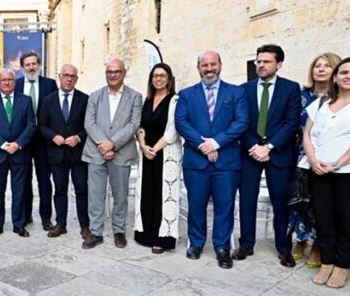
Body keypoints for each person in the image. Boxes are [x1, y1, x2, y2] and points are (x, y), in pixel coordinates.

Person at [301, 57, 350, 290]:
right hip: (318, 169)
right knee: (323, 219)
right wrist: (313, 159)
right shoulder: (322, 103)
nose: (349, 76)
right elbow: (307, 134)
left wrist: (337, 163)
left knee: (348, 220)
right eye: (344, 72)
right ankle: (327, 262)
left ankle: (342, 266)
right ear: (335, 77)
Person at [175, 50, 249, 269]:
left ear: (220, 65)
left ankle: (222, 247)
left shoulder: (236, 92)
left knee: (225, 206)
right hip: (196, 162)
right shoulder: (186, 94)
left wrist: (216, 143)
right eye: (204, 65)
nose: (209, 69)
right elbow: (181, 122)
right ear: (198, 68)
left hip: (226, 162)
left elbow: (241, 122)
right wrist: (203, 146)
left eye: (213, 64)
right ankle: (196, 243)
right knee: (196, 205)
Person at [235, 45, 302, 267]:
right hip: (249, 153)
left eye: (266, 61)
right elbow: (241, 122)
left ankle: (284, 248)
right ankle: (246, 244)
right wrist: (253, 146)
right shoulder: (244, 89)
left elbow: (291, 123)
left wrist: (269, 147)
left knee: (281, 203)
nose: (261, 65)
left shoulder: (291, 88)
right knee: (247, 201)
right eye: (259, 61)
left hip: (279, 154)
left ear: (279, 64)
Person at [82, 59, 144, 249]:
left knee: (121, 195)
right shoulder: (95, 96)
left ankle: (119, 230)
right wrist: (104, 145)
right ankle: (96, 232)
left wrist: (113, 144)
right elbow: (89, 123)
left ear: (124, 73)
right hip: (96, 152)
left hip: (122, 153)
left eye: (117, 71)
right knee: (95, 195)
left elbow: (133, 124)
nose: (113, 75)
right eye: (109, 71)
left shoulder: (135, 97)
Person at [289, 53, 341, 268]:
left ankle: (318, 245)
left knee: (322, 203)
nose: (321, 69)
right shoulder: (301, 95)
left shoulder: (342, 96)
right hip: (300, 154)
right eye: (317, 66)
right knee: (299, 199)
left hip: (329, 157)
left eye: (327, 66)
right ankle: (300, 239)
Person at [133, 62, 182, 253]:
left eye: (162, 75)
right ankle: (145, 235)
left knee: (164, 194)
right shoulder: (147, 100)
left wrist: (155, 148)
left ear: (169, 79)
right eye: (155, 76)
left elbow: (173, 129)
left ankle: (162, 238)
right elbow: (139, 126)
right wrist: (143, 145)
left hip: (166, 153)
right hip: (147, 152)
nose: (158, 79)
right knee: (147, 192)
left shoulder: (175, 100)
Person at [0, 69, 36, 237]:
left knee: (19, 191)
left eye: (10, 79)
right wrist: (3, 144)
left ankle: (19, 224)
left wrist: (18, 144)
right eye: (3, 80)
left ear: (14, 82)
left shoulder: (26, 100)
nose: (6, 82)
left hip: (19, 153)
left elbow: (31, 124)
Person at [38, 64, 89, 239]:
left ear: (76, 79)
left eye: (73, 76)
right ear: (59, 77)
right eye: (66, 75)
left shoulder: (85, 99)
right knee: (60, 190)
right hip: (57, 153)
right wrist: (53, 136)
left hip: (78, 153)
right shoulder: (48, 100)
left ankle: (85, 225)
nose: (69, 79)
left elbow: (90, 126)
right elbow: (41, 125)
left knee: (81, 189)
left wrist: (79, 137)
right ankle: (61, 224)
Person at [15, 52, 58, 230]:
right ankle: (26, 216)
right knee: (24, 180)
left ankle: (46, 217)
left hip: (44, 140)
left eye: (34, 64)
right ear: (22, 67)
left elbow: (54, 111)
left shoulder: (49, 84)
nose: (31, 67)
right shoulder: (16, 85)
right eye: (27, 64)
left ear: (39, 65)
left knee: (44, 180)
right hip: (23, 140)